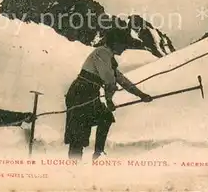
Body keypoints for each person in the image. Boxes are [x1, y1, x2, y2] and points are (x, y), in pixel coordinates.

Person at [64, 28, 153, 160]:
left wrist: (141, 95)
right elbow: (109, 79)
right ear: (115, 43)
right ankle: (75, 166)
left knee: (104, 118)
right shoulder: (102, 52)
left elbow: (121, 79)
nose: (124, 48)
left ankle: (98, 154)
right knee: (79, 134)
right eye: (123, 44)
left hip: (89, 94)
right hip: (80, 93)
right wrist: (109, 100)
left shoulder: (108, 57)